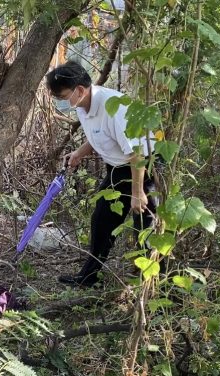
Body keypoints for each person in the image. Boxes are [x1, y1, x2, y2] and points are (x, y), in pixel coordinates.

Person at [45, 61, 157, 287]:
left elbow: (137, 153)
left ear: (79, 90)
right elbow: (98, 134)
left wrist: (138, 193)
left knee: (144, 225)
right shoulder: (81, 105)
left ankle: (153, 284)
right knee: (102, 220)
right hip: (117, 168)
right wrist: (78, 153)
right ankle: (89, 276)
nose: (63, 103)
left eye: (63, 97)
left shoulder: (113, 108)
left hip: (145, 167)